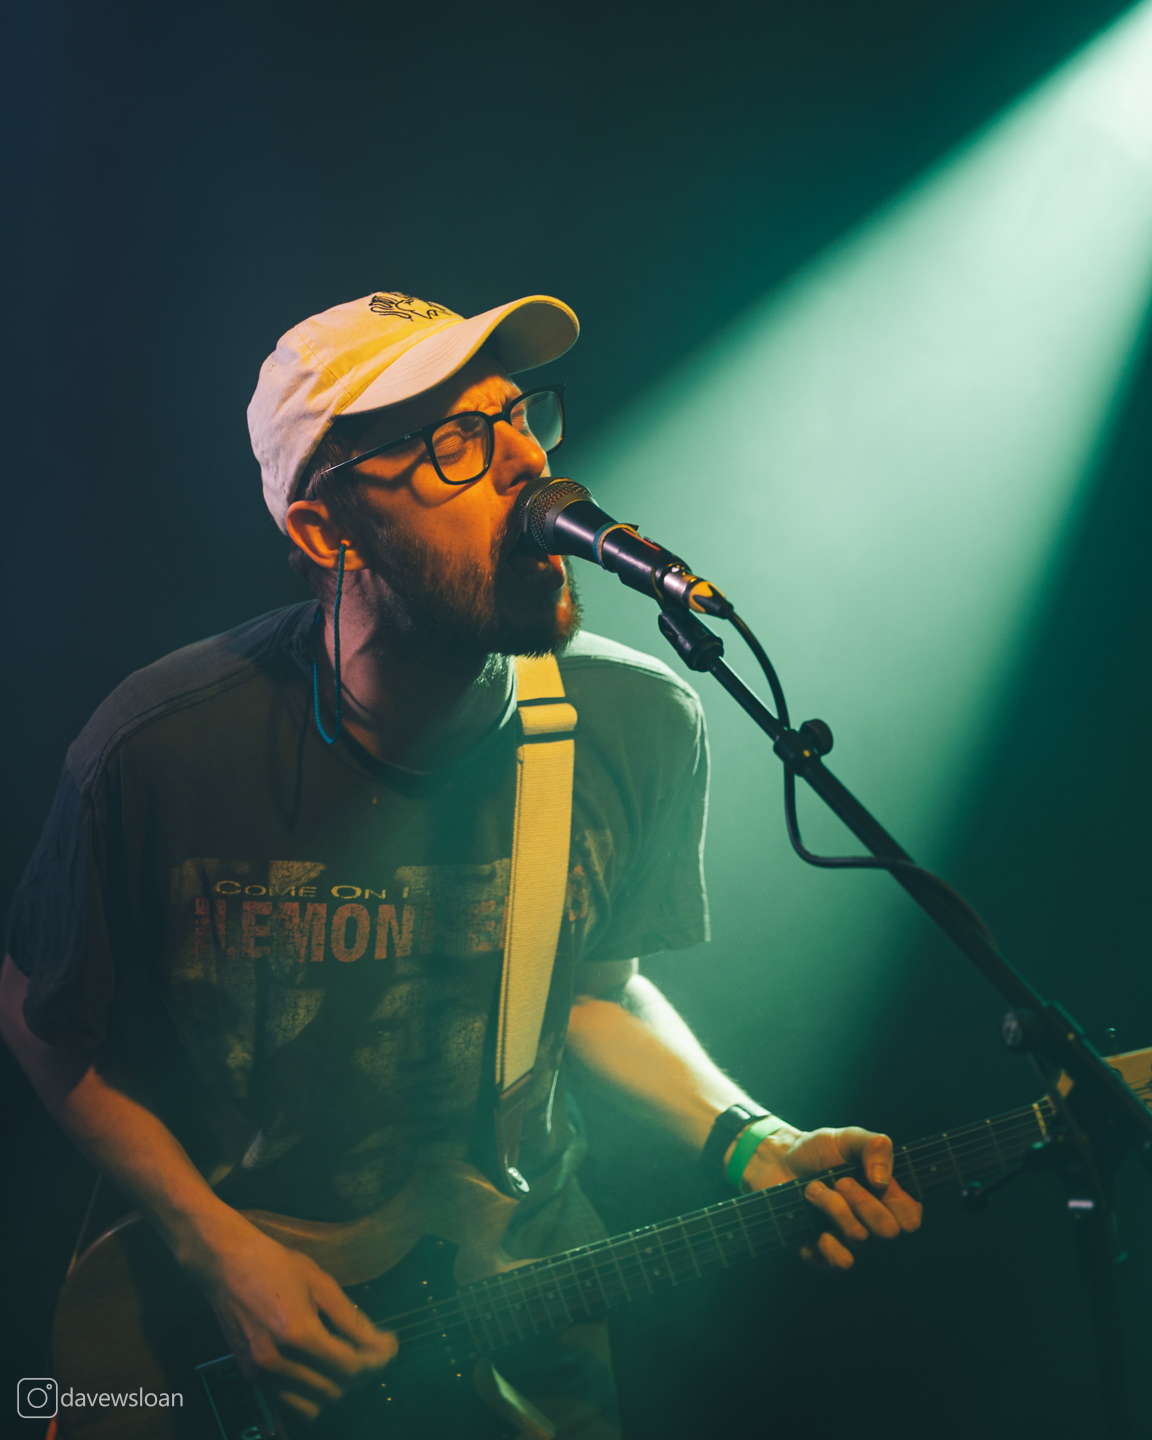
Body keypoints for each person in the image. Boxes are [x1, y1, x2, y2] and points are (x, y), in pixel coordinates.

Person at [0, 289, 921, 1438]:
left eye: (519, 417)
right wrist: (217, 1250)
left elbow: (590, 992)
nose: (527, 464)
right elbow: (43, 1018)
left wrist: (754, 1140)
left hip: (514, 1315)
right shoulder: (161, 747)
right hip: (218, 1338)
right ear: (326, 533)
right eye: (455, 443)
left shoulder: (632, 724)